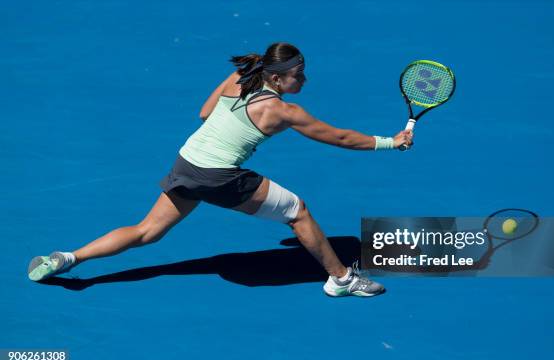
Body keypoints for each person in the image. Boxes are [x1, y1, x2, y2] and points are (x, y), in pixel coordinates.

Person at [27, 42, 413, 297]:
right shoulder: (282, 110)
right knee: (298, 212)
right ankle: (341, 279)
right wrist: (390, 142)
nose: (305, 79)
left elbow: (204, 113)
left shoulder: (238, 78)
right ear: (277, 78)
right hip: (217, 175)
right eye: (298, 74)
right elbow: (342, 138)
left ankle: (66, 258)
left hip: (187, 161)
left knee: (147, 231)